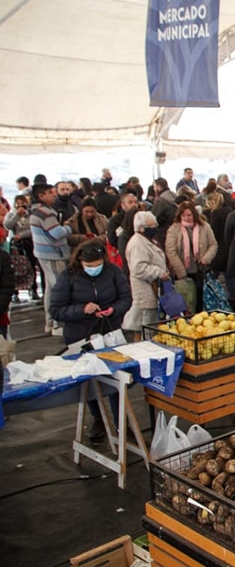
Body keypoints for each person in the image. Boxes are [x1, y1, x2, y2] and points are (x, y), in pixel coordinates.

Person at [49, 242, 132, 442]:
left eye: (97, 264)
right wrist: (81, 309)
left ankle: (122, 423)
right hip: (80, 336)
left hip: (109, 333)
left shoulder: (113, 272)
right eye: (89, 265)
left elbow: (126, 298)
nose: (94, 268)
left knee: (116, 378)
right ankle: (97, 419)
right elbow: (56, 309)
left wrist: (114, 310)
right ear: (80, 261)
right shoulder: (68, 277)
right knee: (87, 380)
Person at [29, 183, 71, 335]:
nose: (54, 195)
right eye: (51, 193)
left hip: (43, 254)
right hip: (53, 255)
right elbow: (57, 233)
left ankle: (49, 321)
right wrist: (68, 227)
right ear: (41, 196)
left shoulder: (35, 211)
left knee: (50, 289)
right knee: (59, 289)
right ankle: (58, 324)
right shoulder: (45, 213)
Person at [165, 202, 217, 313]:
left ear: (194, 214)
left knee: (200, 301)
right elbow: (171, 251)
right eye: (183, 215)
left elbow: (213, 244)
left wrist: (206, 258)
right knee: (186, 302)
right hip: (183, 273)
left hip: (200, 270)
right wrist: (181, 272)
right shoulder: (174, 229)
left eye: (189, 215)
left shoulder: (205, 227)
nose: (186, 218)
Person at [122, 211, 168, 333]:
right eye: (151, 226)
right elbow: (139, 268)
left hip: (153, 287)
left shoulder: (148, 239)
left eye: (155, 225)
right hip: (145, 288)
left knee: (152, 320)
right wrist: (159, 272)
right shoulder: (137, 243)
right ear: (141, 228)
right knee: (145, 322)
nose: (154, 228)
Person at [5, 194, 40, 300]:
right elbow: (8, 225)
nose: (21, 205)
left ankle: (33, 290)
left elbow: (34, 228)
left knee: (31, 267)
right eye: (18, 203)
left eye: (23, 203)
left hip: (29, 244)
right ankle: (15, 292)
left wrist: (22, 235)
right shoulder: (11, 214)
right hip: (15, 246)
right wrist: (17, 215)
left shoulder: (31, 215)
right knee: (14, 268)